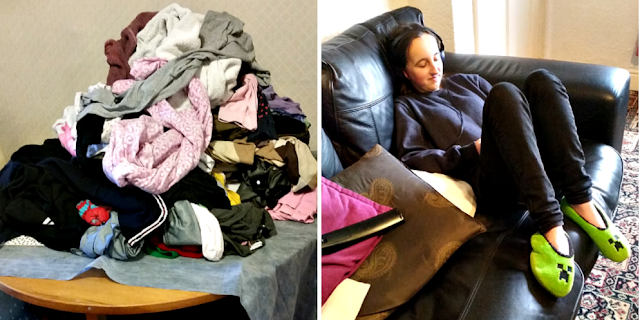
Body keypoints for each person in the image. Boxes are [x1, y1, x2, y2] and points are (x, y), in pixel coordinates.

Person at [387, 23, 629, 297]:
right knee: (503, 92)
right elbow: (411, 158)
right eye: (422, 64)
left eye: (436, 56)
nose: (435, 68)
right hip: (495, 183)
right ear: (405, 72)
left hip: (530, 164)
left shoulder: (468, 81)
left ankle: (581, 200)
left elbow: (516, 115)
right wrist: (469, 151)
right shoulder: (407, 107)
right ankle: (551, 225)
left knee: (542, 79)